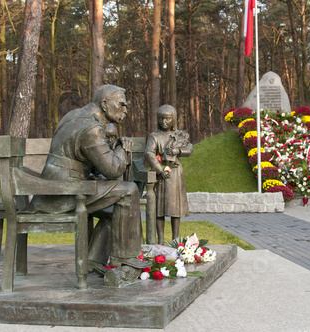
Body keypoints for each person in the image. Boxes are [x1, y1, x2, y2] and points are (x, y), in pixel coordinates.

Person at [29, 85, 151, 274]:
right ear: (104, 104)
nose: (125, 110)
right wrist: (121, 147)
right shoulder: (91, 128)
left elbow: (85, 157)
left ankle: (93, 260)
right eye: (121, 104)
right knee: (129, 190)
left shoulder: (74, 115)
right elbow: (112, 169)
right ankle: (126, 259)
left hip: (57, 188)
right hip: (63, 194)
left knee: (114, 208)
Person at [144, 105, 193, 244]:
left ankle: (175, 239)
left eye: (167, 119)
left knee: (175, 208)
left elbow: (189, 148)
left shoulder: (179, 135)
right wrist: (159, 169)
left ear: (173, 119)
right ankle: (160, 239)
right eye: (161, 119)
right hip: (162, 173)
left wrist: (179, 152)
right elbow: (149, 153)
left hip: (176, 172)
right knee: (160, 208)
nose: (163, 122)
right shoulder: (155, 136)